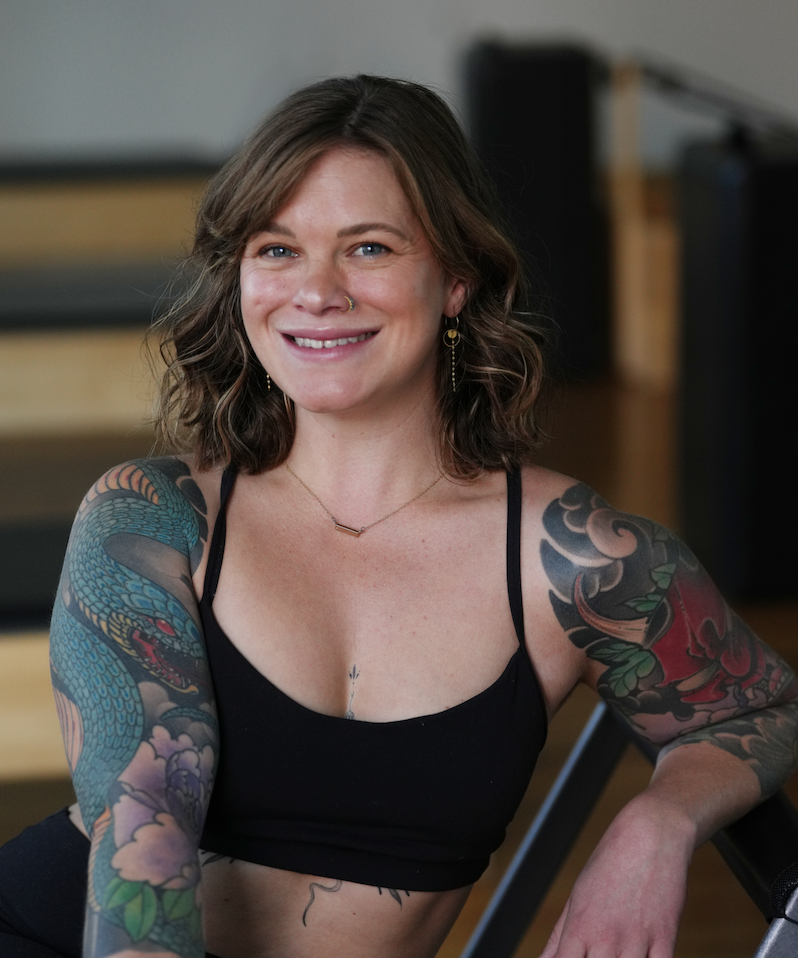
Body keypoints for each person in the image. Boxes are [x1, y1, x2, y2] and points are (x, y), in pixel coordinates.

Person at [1, 74, 796, 958]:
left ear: (456, 279)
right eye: (276, 249)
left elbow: (750, 708)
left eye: (369, 248)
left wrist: (658, 823)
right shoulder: (153, 523)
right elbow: (142, 863)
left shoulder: (570, 559)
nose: (317, 291)